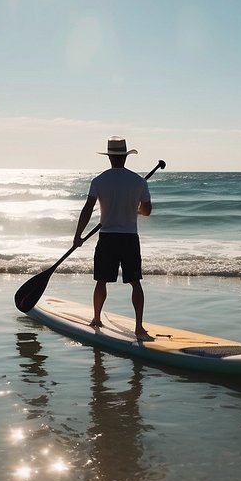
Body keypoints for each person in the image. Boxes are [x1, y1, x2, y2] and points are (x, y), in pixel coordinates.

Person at [73, 137, 153, 339]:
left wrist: (78, 236)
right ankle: (139, 328)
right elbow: (147, 210)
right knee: (135, 282)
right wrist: (135, 210)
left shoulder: (99, 181)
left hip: (107, 237)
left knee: (101, 281)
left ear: (109, 157)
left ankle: (97, 318)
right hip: (129, 238)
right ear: (125, 157)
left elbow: (88, 208)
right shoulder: (139, 181)